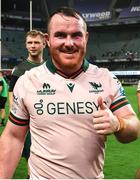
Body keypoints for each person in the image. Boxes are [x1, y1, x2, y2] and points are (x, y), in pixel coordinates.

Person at [0, 7, 140, 179]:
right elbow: (13, 137)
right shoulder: (28, 80)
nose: (69, 42)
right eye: (60, 35)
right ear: (48, 39)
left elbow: (134, 128)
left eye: (76, 35)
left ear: (86, 38)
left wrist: (119, 124)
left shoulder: (106, 79)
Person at [8, 29, 46, 178]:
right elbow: (12, 95)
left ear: (44, 44)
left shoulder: (50, 68)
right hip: (29, 123)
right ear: (25, 45)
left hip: (49, 121)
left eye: (36, 42)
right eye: (30, 42)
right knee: (32, 157)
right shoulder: (19, 69)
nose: (33, 45)